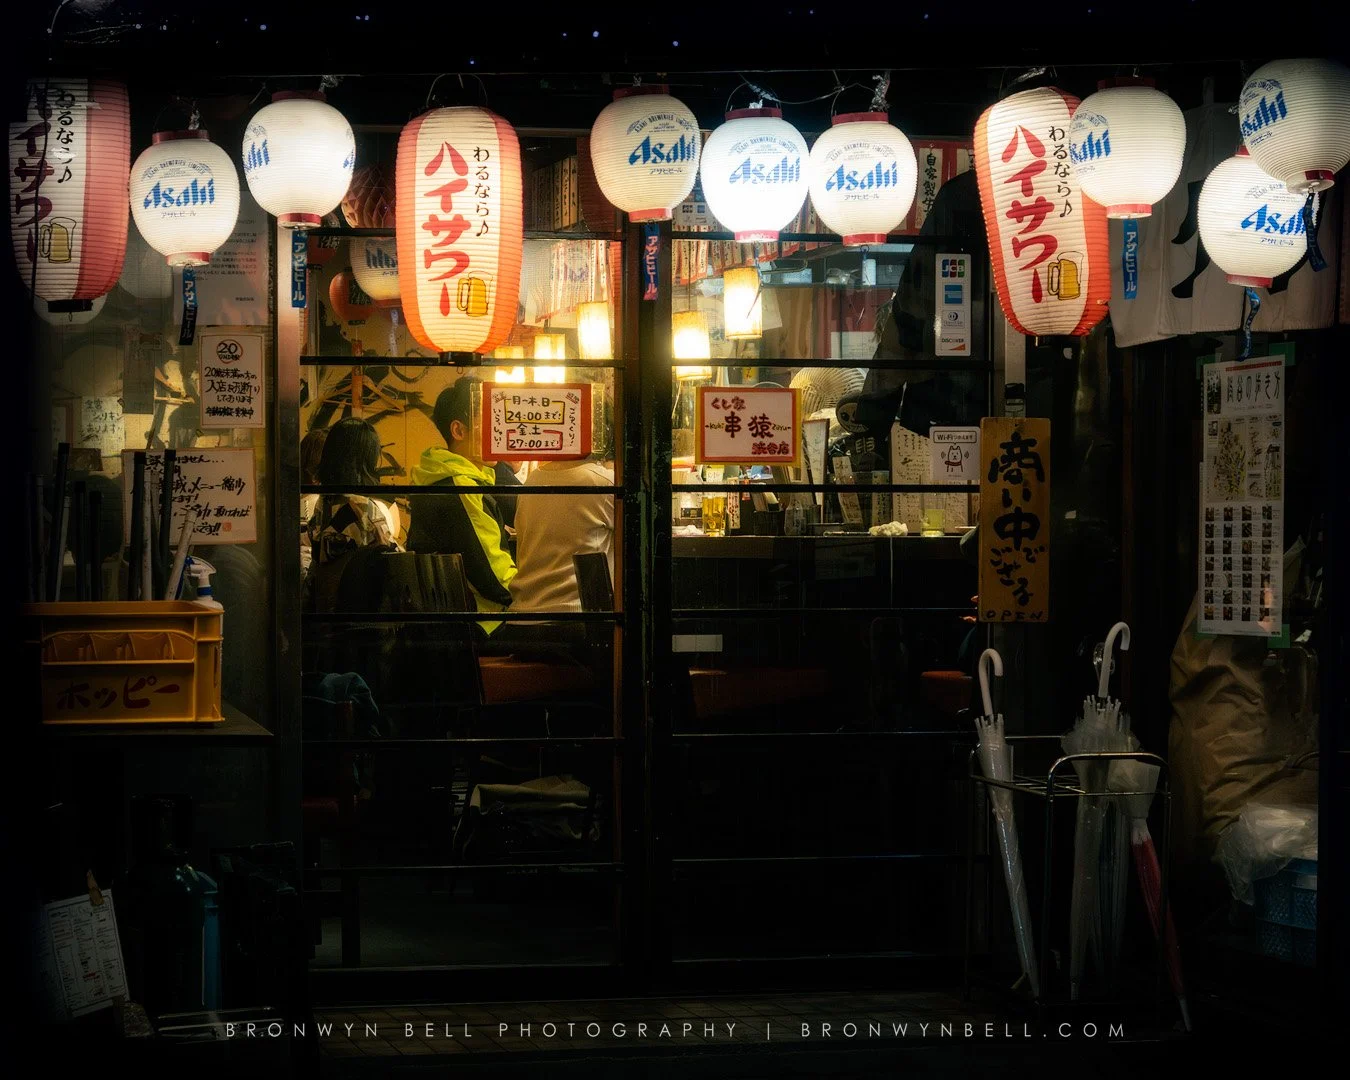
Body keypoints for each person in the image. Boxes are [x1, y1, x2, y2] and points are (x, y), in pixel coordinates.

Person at [406, 378, 516, 636]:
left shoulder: (441, 477)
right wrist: (534, 596)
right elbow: (494, 575)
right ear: (458, 430)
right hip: (483, 624)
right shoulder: (462, 487)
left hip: (451, 626)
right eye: (491, 423)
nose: (499, 433)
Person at [306, 417, 404, 575]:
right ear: (366, 460)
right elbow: (393, 562)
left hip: (327, 595)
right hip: (359, 596)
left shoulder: (324, 502)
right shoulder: (362, 508)